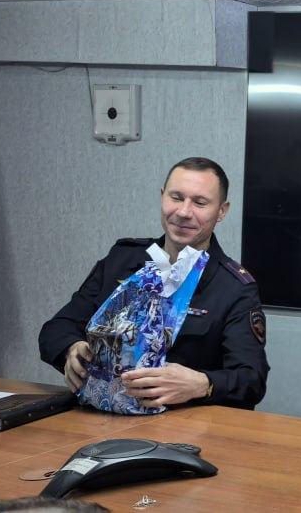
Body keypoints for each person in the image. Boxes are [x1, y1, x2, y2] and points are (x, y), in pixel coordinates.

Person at [38, 157, 269, 410]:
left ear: (221, 211)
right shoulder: (122, 259)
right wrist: (71, 349)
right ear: (162, 196)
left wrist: (203, 383)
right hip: (99, 415)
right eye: (176, 197)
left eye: (200, 203)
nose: (183, 212)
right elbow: (57, 327)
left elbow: (252, 378)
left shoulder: (233, 286)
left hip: (183, 425)